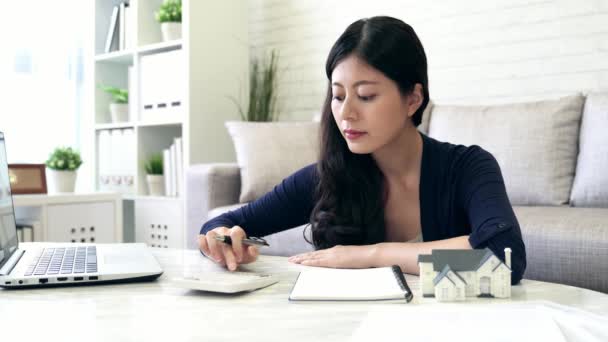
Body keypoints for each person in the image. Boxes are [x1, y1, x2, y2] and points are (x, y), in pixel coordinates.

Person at [198, 16, 526, 284]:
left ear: (413, 98)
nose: (346, 113)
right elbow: (223, 222)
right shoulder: (330, 176)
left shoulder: (468, 167)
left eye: (366, 96)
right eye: (338, 96)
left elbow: (504, 258)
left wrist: (370, 255)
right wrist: (223, 241)